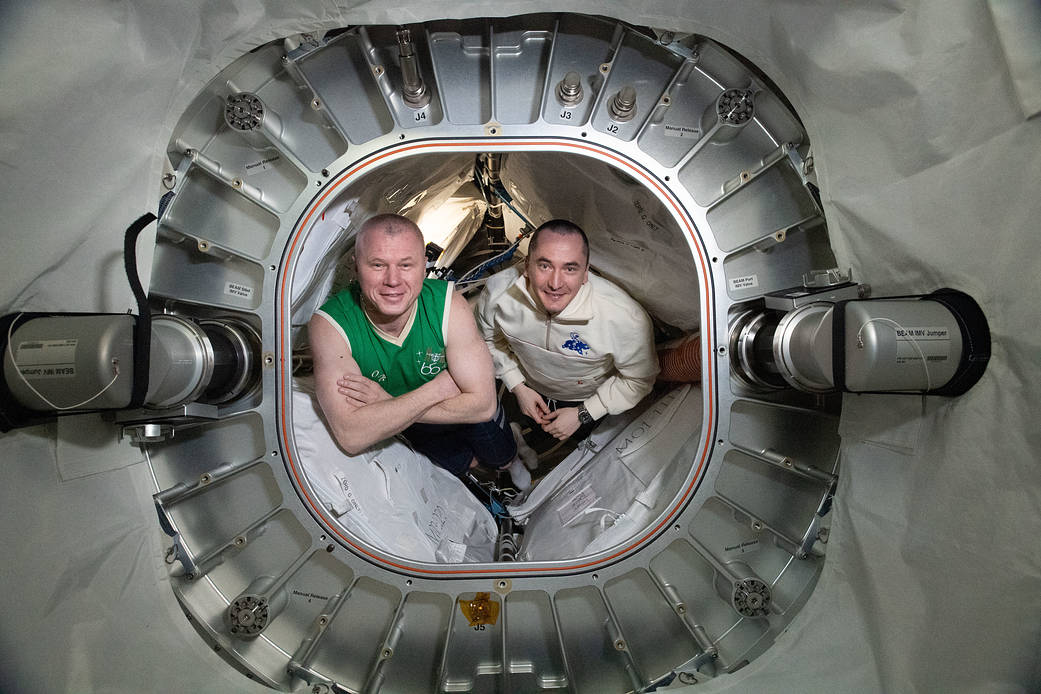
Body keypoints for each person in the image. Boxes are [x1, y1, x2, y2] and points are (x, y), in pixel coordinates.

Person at [309, 213, 532, 490]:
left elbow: (483, 405)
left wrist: (387, 403)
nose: (393, 280)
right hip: (415, 426)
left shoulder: (448, 304)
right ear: (356, 268)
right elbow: (351, 435)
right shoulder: (331, 325)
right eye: (378, 265)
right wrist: (436, 389)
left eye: (406, 265)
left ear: (423, 267)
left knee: (500, 452)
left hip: (418, 416)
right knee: (466, 465)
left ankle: (512, 461)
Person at [475, 219, 659, 450]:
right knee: (529, 426)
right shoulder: (498, 293)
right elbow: (487, 340)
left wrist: (584, 413)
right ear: (527, 265)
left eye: (570, 268)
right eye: (545, 265)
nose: (555, 283)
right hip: (527, 387)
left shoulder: (624, 319)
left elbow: (639, 379)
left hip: (586, 400)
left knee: (574, 440)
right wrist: (517, 385)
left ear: (585, 272)